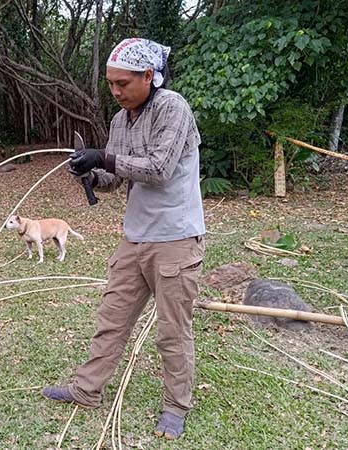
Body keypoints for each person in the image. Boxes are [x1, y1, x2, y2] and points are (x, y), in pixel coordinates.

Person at [41, 38, 206, 440]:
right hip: (135, 237)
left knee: (172, 330)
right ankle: (86, 389)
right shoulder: (120, 120)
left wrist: (104, 157)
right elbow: (116, 178)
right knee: (111, 321)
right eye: (110, 84)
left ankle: (175, 406)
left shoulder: (173, 108)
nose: (115, 91)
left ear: (148, 76)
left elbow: (160, 169)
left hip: (176, 238)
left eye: (123, 83)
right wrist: (92, 173)